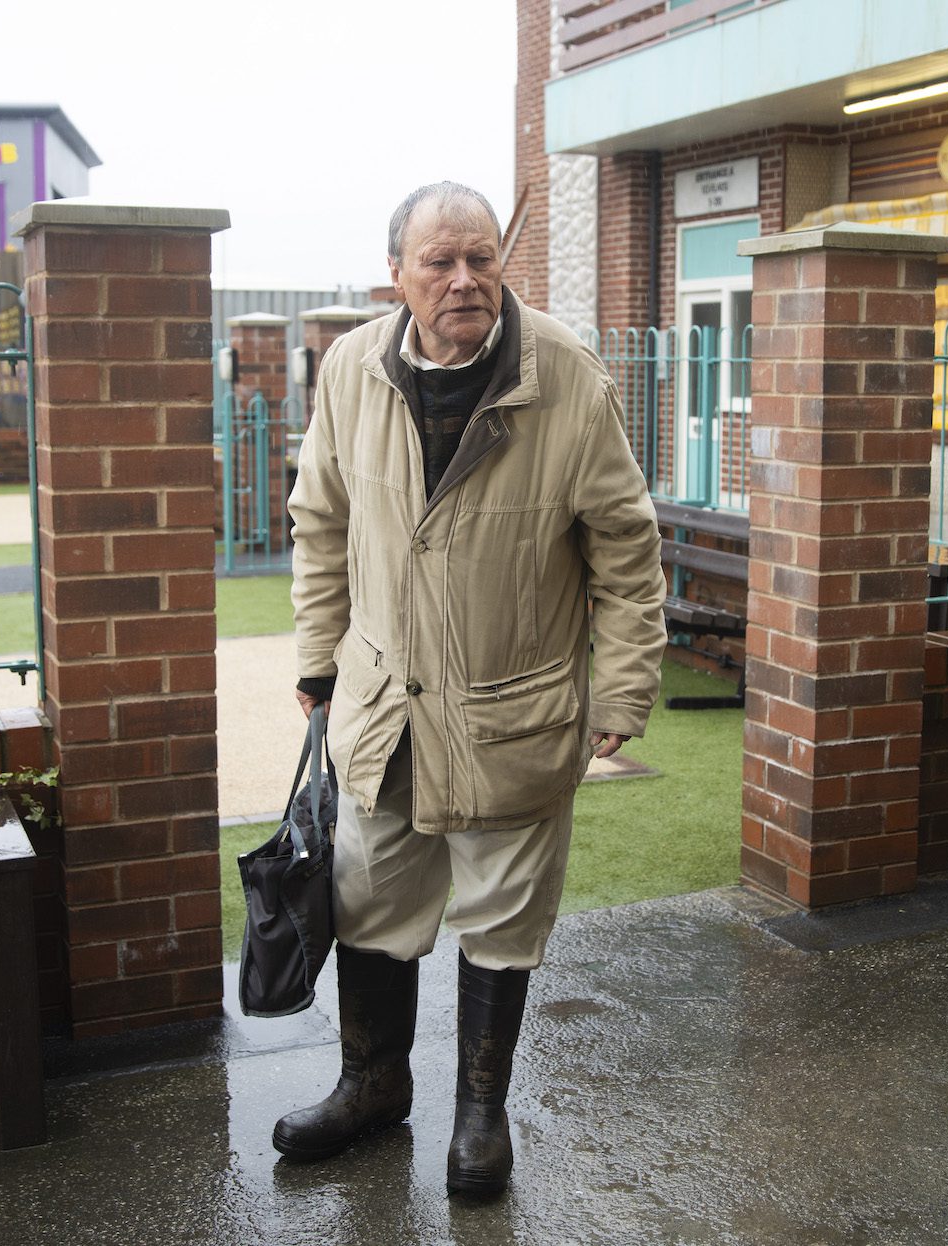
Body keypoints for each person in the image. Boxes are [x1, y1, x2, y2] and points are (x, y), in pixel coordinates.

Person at [278, 182, 667, 1197]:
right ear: (395, 277)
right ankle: (373, 1085)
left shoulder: (567, 377)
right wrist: (319, 661)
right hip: (382, 704)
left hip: (513, 706)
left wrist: (622, 690)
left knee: (501, 915)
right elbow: (321, 520)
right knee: (368, 901)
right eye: (440, 263)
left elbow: (625, 547)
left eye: (482, 259)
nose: (465, 281)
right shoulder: (350, 369)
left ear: (504, 263)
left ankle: (481, 1114)